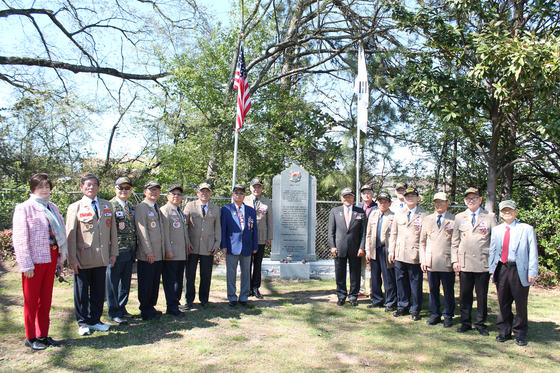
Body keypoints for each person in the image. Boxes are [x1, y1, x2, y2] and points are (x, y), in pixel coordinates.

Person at [13, 173, 68, 350]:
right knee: (31, 300)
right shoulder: (24, 208)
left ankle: (43, 334)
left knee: (46, 299)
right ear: (33, 188)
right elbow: (20, 239)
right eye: (40, 187)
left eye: (47, 186)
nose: (44, 190)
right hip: (34, 261)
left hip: (51, 257)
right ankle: (31, 337)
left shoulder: (52, 206)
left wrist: (60, 258)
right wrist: (26, 264)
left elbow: (60, 232)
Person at [66, 174, 118, 336]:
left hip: (102, 257)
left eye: (95, 184)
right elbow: (70, 235)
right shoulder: (75, 207)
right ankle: (83, 322)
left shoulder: (107, 205)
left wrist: (113, 253)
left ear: (99, 187)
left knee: (97, 291)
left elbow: (113, 232)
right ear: (81, 187)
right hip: (83, 258)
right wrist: (72, 259)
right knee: (81, 292)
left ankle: (95, 320)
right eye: (88, 185)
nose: (91, 187)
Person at [489, 200, 539, 346]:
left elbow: (533, 252)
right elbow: (493, 250)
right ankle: (504, 331)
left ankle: (520, 333)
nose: (507, 213)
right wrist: (492, 270)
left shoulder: (527, 229)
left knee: (520, 304)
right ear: (501, 213)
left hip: (519, 270)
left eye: (510, 210)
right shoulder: (497, 230)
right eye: (504, 210)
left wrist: (532, 271)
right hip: (502, 268)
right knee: (503, 302)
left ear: (516, 212)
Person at [451, 187, 496, 336]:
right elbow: (455, 241)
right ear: (465, 201)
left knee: (482, 295)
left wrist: (493, 263)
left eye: (474, 198)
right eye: (469, 198)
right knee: (465, 295)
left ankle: (481, 323)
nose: (471, 201)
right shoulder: (459, 217)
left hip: (482, 263)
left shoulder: (489, 216)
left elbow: (495, 241)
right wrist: (455, 260)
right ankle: (465, 322)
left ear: (480, 200)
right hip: (464, 263)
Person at [388, 187, 428, 321]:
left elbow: (426, 238)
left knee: (415, 283)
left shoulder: (425, 215)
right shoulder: (398, 213)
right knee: (401, 281)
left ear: (418, 198)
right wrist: (391, 250)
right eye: (407, 196)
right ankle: (402, 306)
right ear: (404, 198)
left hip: (415, 255)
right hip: (400, 254)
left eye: (413, 196)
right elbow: (393, 233)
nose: (410, 198)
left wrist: (424, 257)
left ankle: (415, 309)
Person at [182, 182, 221, 309]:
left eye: (207, 191)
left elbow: (218, 228)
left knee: (206, 274)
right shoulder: (190, 206)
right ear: (197, 193)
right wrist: (186, 242)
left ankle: (204, 299)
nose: (204, 193)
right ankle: (189, 300)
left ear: (210, 193)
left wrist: (217, 244)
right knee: (190, 274)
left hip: (208, 246)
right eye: (202, 191)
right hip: (192, 246)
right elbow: (184, 226)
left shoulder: (215, 208)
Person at [419, 192, 456, 327]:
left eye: (442, 202)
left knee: (448, 290)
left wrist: (455, 260)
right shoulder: (427, 219)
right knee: (433, 289)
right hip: (431, 261)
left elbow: (456, 242)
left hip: (447, 261)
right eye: (436, 202)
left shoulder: (454, 219)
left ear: (447, 203)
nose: (439, 204)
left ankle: (448, 315)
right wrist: (423, 260)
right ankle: (435, 314)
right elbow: (422, 242)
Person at [135, 180, 169, 321]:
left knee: (155, 282)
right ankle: (145, 310)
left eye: (156, 189)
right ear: (144, 192)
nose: (154, 192)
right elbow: (142, 230)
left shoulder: (155, 207)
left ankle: (151, 306)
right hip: (148, 254)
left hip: (158, 253)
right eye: (151, 190)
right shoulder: (142, 207)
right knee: (146, 282)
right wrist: (148, 251)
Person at [328, 187, 367, 307]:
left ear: (354, 198)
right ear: (341, 198)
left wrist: (362, 247)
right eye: (345, 197)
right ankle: (341, 295)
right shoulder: (335, 211)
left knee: (355, 273)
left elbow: (364, 232)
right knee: (340, 273)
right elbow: (331, 231)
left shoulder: (360, 212)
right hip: (339, 248)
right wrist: (332, 246)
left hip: (355, 248)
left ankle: (353, 296)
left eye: (350, 197)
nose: (348, 199)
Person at [221, 184, 258, 307]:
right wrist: (224, 245)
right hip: (232, 246)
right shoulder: (226, 210)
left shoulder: (251, 211)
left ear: (244, 195)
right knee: (231, 273)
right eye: (236, 193)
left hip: (247, 246)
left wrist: (255, 246)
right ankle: (232, 296)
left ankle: (244, 296)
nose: (239, 195)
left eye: (241, 193)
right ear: (232, 195)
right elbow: (223, 229)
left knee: (246, 273)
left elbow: (255, 230)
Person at [106, 177, 136, 325]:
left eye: (127, 188)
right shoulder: (109, 206)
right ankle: (113, 312)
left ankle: (122, 308)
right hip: (116, 252)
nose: (124, 190)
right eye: (121, 188)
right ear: (115, 189)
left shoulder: (130, 206)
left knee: (125, 283)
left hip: (129, 250)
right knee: (113, 283)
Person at [364, 191, 396, 311]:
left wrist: (392, 251)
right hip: (374, 249)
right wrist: (368, 250)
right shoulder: (373, 214)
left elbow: (394, 235)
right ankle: (377, 300)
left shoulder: (393, 216)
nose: (382, 204)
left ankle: (390, 302)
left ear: (389, 203)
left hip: (386, 250)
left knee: (388, 277)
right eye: (380, 201)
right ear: (377, 202)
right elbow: (368, 234)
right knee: (375, 276)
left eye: (385, 202)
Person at [160, 185, 189, 317]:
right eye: (173, 194)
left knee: (178, 279)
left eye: (179, 194)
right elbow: (165, 233)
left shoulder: (179, 210)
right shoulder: (165, 210)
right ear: (167, 196)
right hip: (172, 252)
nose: (176, 196)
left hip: (181, 252)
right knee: (170, 280)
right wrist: (168, 250)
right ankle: (171, 306)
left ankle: (175, 303)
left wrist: (187, 245)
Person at [244, 178, 273, 299]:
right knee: (246, 263)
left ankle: (255, 288)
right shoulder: (244, 200)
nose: (257, 189)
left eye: (259, 187)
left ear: (262, 188)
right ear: (250, 188)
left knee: (257, 264)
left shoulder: (267, 201)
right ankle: (246, 288)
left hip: (261, 236)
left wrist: (269, 237)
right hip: (247, 236)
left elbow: (270, 221)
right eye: (254, 187)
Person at [359, 184, 378, 297]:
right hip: (360, 241)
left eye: (368, 192)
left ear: (372, 194)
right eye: (364, 193)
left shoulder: (377, 207)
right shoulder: (358, 207)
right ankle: (361, 289)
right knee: (360, 266)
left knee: (373, 267)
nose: (366, 194)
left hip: (373, 241)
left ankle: (372, 290)